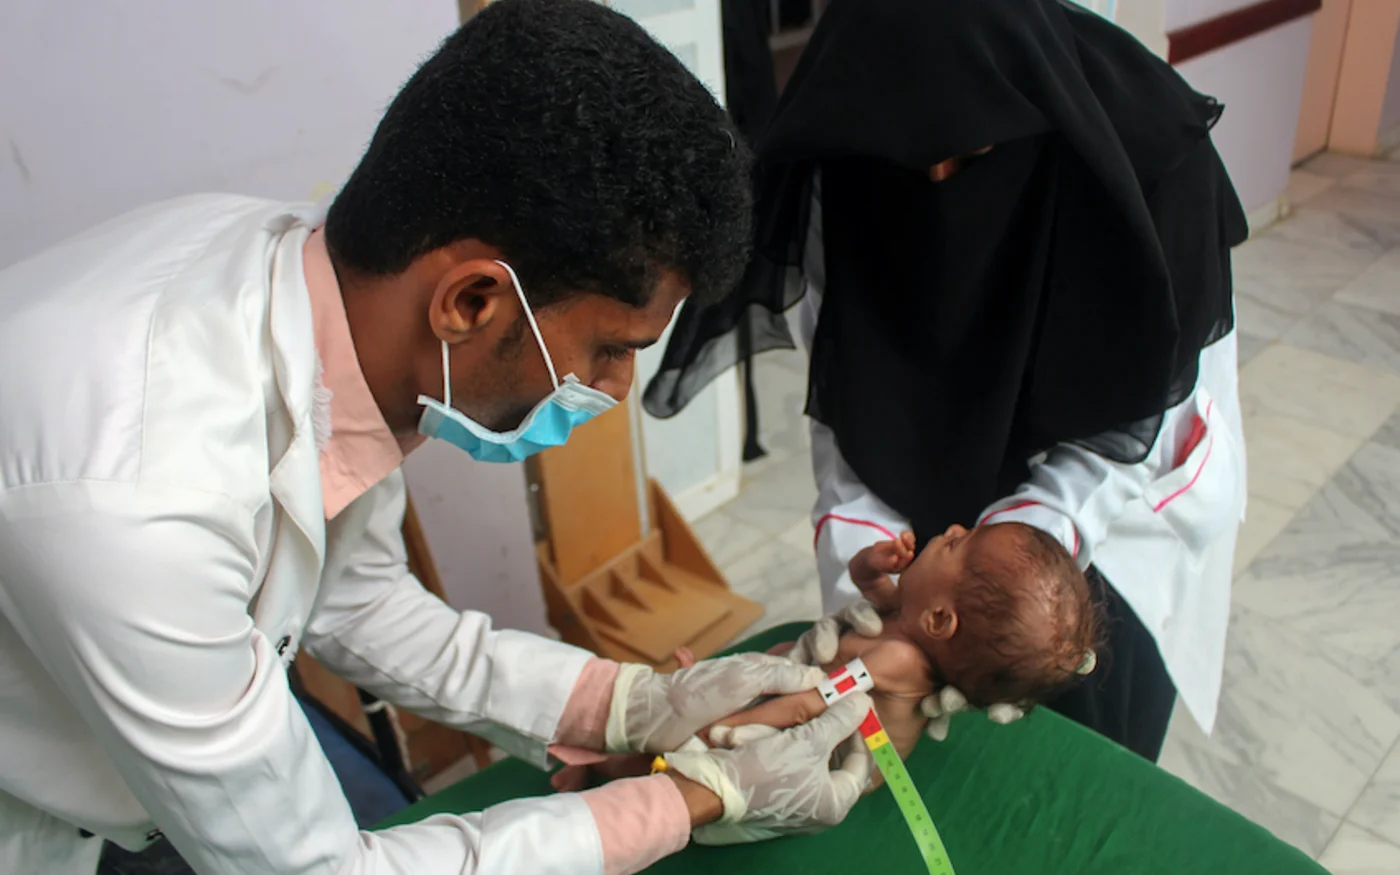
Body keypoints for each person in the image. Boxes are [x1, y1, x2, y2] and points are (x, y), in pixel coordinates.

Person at [0, 2, 874, 873]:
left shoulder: (318, 306)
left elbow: (360, 601)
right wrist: (688, 796)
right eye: (610, 348)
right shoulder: (140, 500)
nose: (615, 388)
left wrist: (633, 703)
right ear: (470, 303)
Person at [645, 0, 1249, 763]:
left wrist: (1005, 564)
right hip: (942, 540)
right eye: (904, 160)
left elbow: (1136, 419)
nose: (934, 177)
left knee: (1084, 735)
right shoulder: (852, 164)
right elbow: (855, 389)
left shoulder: (1153, 164)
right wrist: (866, 574)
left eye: (972, 154)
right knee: (931, 751)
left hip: (1116, 519)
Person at [550, 520, 1099, 794]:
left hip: (829, 753)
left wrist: (727, 725)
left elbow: (811, 706)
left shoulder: (897, 663)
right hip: (813, 696)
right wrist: (871, 566)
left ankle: (605, 769)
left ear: (939, 620)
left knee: (704, 758)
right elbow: (869, 590)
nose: (952, 529)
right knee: (774, 660)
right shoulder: (908, 623)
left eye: (958, 545)